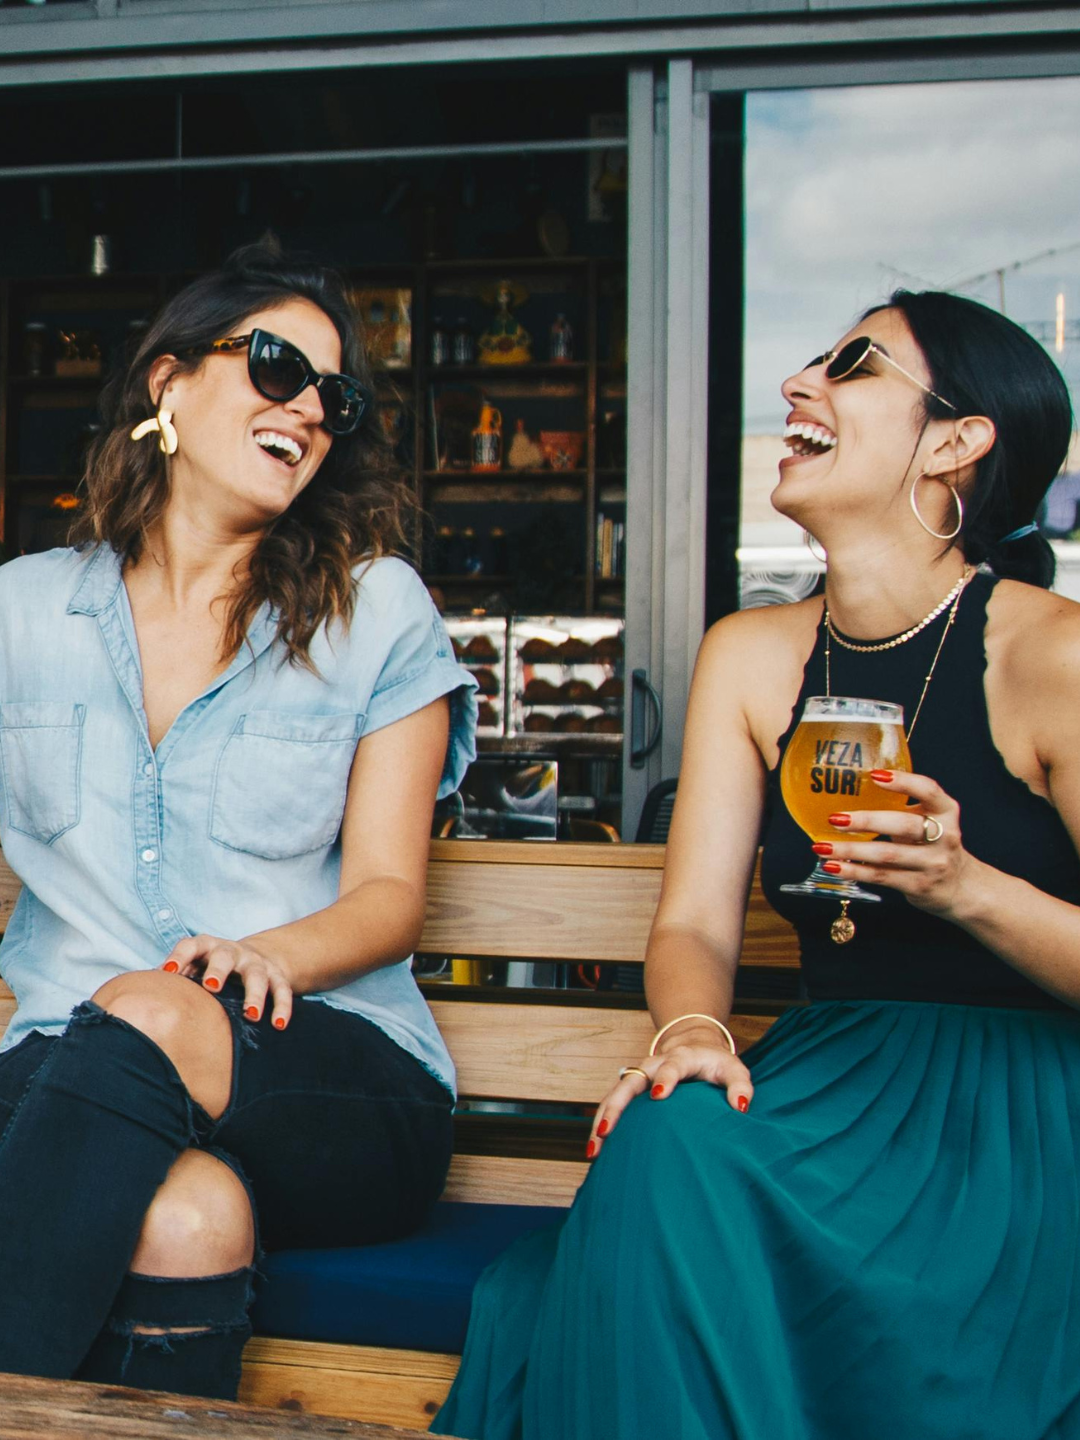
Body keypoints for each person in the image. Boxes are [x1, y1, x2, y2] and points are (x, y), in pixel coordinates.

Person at [433, 290, 1080, 1440]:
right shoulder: (749, 655)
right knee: (669, 1138)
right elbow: (695, 928)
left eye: (856, 366)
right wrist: (690, 1033)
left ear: (955, 443)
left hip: (1018, 1114)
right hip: (826, 1083)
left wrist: (965, 886)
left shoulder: (1053, 654)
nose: (799, 383)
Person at [0, 241, 477, 1399]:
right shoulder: (18, 612)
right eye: (274, 366)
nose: (309, 407)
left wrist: (262, 955)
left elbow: (389, 901)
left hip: (325, 1070)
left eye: (335, 397)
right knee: (188, 1218)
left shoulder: (378, 613)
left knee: (159, 1006)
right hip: (69, 1064)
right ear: (168, 384)